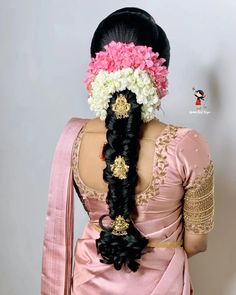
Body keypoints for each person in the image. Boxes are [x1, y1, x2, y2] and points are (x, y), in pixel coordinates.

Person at [41, 7, 215, 295]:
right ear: (160, 75)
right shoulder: (188, 145)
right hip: (162, 284)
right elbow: (197, 242)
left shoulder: (73, 137)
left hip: (89, 282)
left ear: (96, 71)